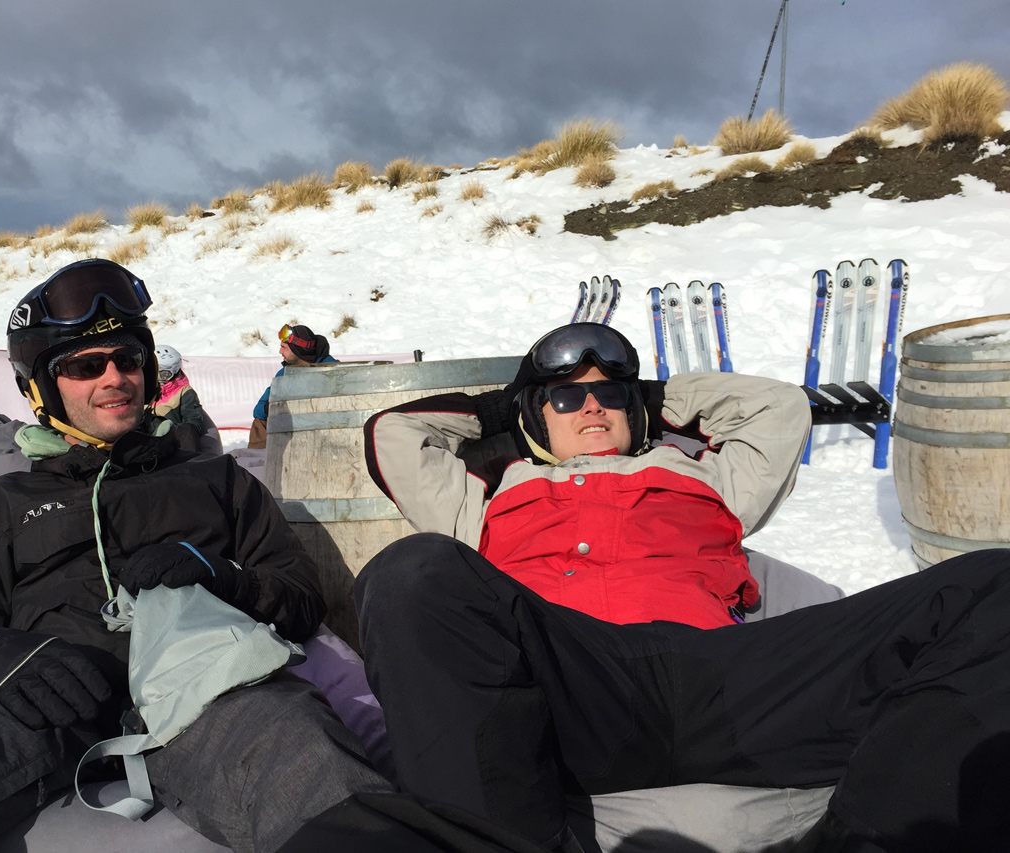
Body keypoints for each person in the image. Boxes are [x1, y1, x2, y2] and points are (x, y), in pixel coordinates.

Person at [0, 258, 389, 853]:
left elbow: (298, 592)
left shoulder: (215, 481)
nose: (114, 378)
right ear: (42, 387)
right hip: (45, 704)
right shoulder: (2, 506)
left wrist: (225, 579)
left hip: (213, 694)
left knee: (307, 764)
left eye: (128, 359)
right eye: (86, 365)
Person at [345, 322, 1010, 852]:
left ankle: (871, 835)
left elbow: (777, 407)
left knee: (991, 584)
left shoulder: (706, 477)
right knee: (408, 571)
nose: (592, 405)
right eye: (567, 398)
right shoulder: (487, 502)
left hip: (723, 672)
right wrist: (507, 404)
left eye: (611, 395)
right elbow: (395, 433)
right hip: (571, 679)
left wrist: (650, 396)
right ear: (535, 417)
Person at [248, 324, 337, 449]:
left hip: (327, 436)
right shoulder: (283, 374)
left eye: (283, 347)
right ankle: (259, 459)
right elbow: (259, 410)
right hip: (292, 433)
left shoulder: (333, 371)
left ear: (297, 350)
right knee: (261, 421)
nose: (280, 351)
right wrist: (269, 407)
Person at [151, 343, 210, 452]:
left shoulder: (184, 392)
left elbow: (193, 422)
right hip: (148, 441)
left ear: (174, 372)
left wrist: (171, 429)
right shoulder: (146, 391)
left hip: (173, 442)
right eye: (155, 373)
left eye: (163, 374)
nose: (158, 379)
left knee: (186, 428)